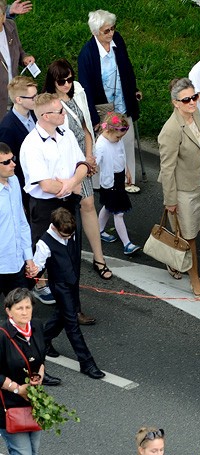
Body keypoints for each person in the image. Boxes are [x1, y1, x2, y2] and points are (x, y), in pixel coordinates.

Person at [44, 59, 113, 282]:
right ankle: (62, 261)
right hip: (66, 165)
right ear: (53, 82)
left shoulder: (76, 96)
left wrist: (89, 158)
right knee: (70, 210)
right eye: (61, 81)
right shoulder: (51, 105)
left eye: (70, 79)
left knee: (89, 204)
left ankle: (98, 257)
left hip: (83, 159)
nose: (67, 84)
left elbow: (85, 128)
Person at [20, 93, 90, 305]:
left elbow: (83, 165)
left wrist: (69, 184)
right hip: (45, 207)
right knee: (39, 256)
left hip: (69, 202)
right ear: (45, 116)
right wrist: (71, 184)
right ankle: (18, 301)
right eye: (60, 111)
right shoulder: (31, 145)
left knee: (71, 255)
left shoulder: (66, 133)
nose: (64, 114)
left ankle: (72, 306)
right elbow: (46, 185)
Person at [157, 77, 200, 301]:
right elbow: (167, 169)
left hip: (199, 185)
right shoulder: (171, 130)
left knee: (191, 232)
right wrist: (170, 200)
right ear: (175, 103)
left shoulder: (195, 115)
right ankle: (195, 282)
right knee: (189, 238)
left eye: (195, 97)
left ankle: (173, 260)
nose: (193, 102)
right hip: (182, 192)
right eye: (187, 99)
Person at [31, 208, 105, 379]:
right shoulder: (44, 243)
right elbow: (37, 267)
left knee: (62, 315)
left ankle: (44, 339)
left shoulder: (70, 231)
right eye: (65, 236)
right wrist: (32, 273)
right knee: (72, 322)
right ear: (55, 228)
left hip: (72, 281)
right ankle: (87, 363)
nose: (68, 238)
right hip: (59, 286)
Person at [77, 9, 141, 190]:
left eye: (112, 28)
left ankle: (128, 180)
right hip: (103, 107)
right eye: (106, 31)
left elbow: (127, 67)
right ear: (95, 32)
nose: (111, 33)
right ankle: (101, 183)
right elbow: (85, 88)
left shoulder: (117, 40)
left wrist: (133, 89)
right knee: (104, 143)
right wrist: (94, 117)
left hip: (122, 100)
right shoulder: (87, 54)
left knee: (126, 139)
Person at [0, 288, 46, 455]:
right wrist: (18, 389)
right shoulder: (1, 334)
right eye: (19, 308)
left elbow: (41, 360)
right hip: (7, 403)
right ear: (9, 310)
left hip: (32, 401)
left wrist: (38, 379)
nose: (25, 311)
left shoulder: (36, 327)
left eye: (28, 307)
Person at [95, 111, 141, 256]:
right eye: (117, 137)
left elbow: (121, 154)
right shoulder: (101, 145)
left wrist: (127, 169)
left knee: (109, 207)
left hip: (119, 177)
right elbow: (95, 162)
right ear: (108, 130)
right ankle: (127, 244)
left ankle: (98, 230)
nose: (119, 139)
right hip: (110, 181)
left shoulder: (117, 139)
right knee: (118, 212)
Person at [0, 76, 37, 220]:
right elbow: (6, 164)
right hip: (24, 186)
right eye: (32, 97)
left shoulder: (34, 114)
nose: (36, 99)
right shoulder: (7, 127)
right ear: (19, 100)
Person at [0, 142, 34, 298]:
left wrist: (28, 258)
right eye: (6, 162)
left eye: (12, 159)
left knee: (22, 314)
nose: (13, 164)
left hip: (16, 265)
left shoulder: (14, 181)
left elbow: (22, 222)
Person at [0, 1, 34, 122]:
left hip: (15, 90)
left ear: (3, 16)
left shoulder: (11, 27)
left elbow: (18, 50)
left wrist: (24, 58)